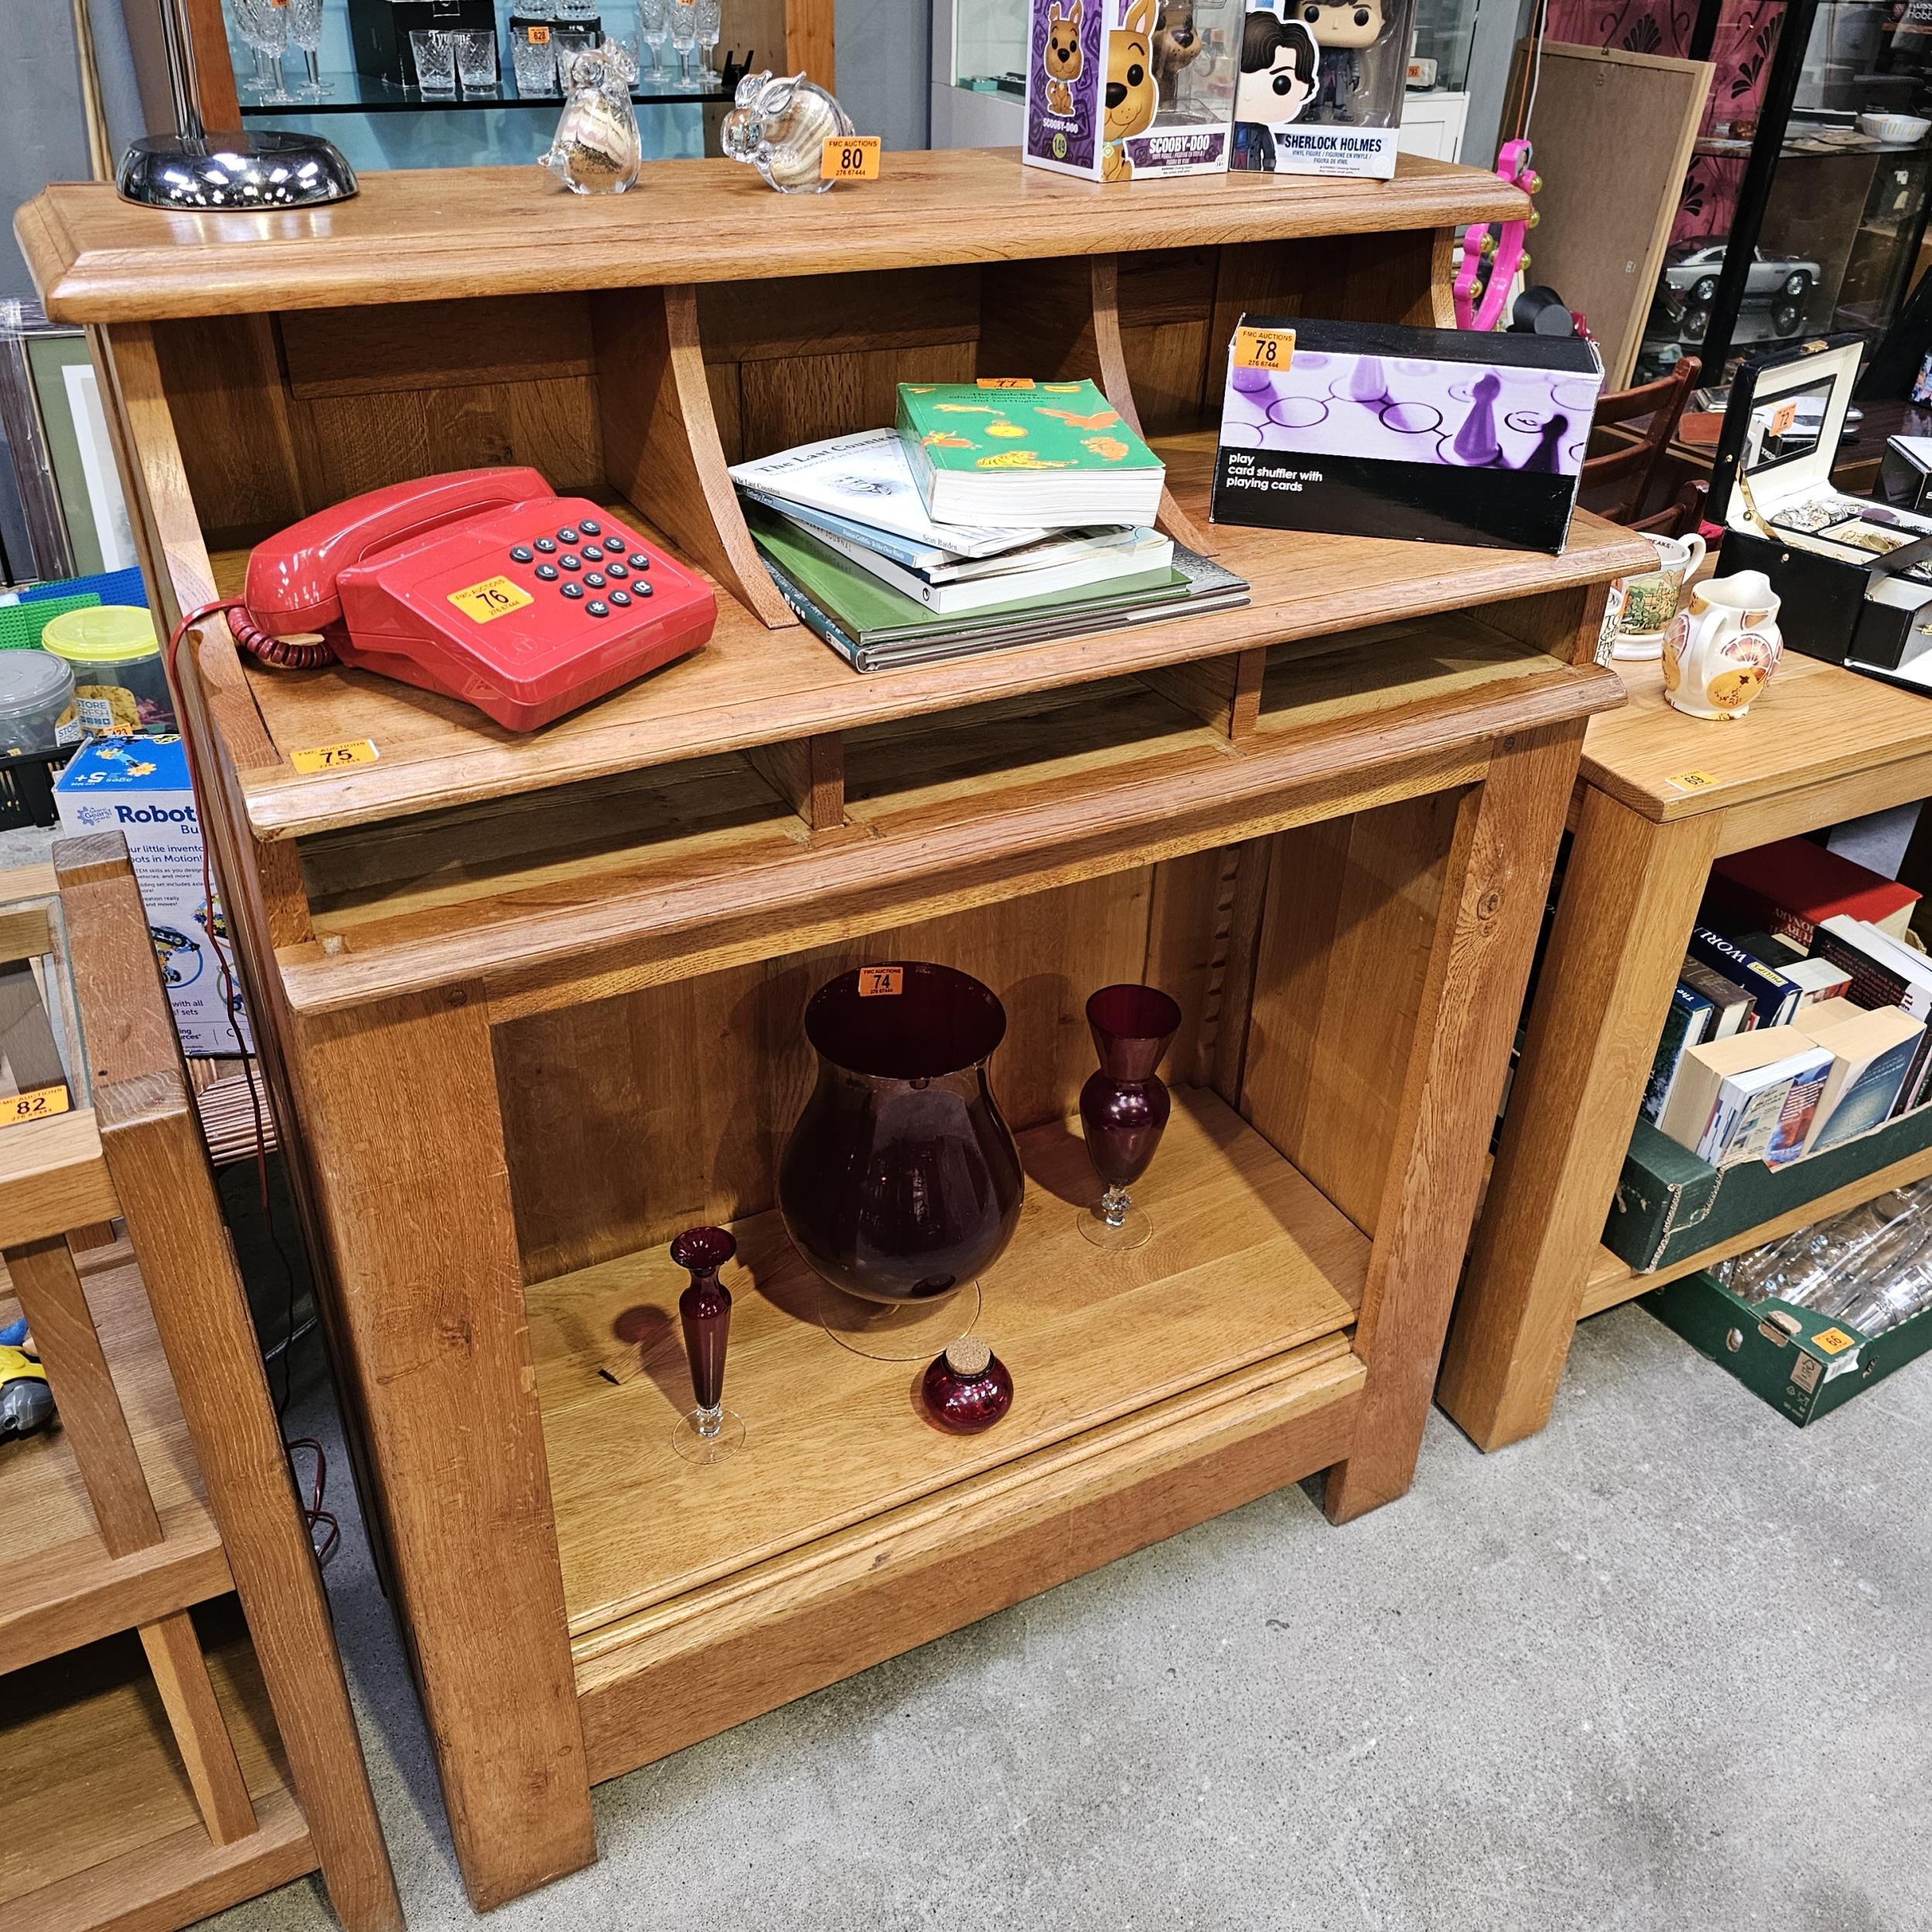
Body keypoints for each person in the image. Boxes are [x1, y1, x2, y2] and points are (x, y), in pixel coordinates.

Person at [1231, 9, 1318, 172]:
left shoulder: (1262, 131)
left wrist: (1269, 170)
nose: (1248, 95)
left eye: (1281, 84)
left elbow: (1269, 152)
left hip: (1252, 168)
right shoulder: (1226, 128)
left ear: (1304, 88)